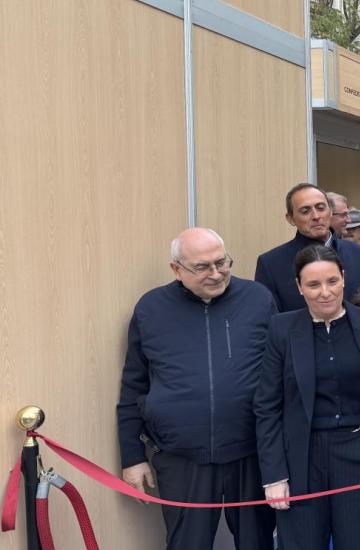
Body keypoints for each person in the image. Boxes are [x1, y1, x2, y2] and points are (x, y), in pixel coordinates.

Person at [118, 228, 276, 550]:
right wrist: (132, 456)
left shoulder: (258, 299)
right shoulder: (151, 309)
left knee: (258, 542)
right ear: (176, 269)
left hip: (252, 452)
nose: (216, 274)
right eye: (202, 267)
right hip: (181, 457)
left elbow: (280, 376)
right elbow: (133, 384)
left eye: (222, 262)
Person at [254, 245, 360, 549]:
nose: (325, 292)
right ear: (298, 287)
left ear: (344, 278)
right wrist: (274, 475)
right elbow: (267, 405)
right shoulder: (282, 329)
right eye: (313, 285)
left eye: (332, 281)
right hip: (300, 458)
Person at [255, 183, 360, 312]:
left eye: (321, 208)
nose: (316, 216)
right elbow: (270, 320)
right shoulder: (271, 264)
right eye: (305, 211)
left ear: (331, 211)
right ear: (290, 219)